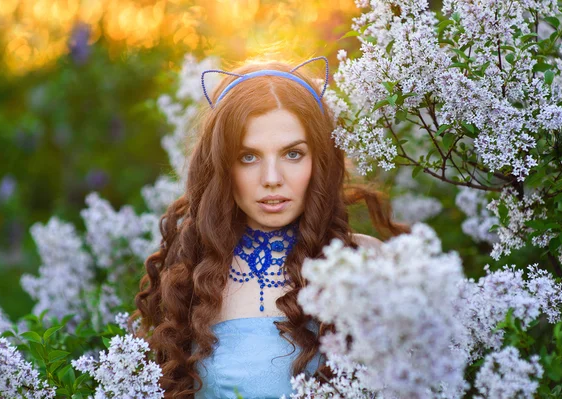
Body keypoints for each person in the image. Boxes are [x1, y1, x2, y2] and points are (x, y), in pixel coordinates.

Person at [133, 57, 409, 399]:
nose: (272, 179)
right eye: (248, 157)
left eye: (292, 154)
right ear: (222, 166)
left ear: (319, 161)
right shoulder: (188, 273)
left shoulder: (367, 261)